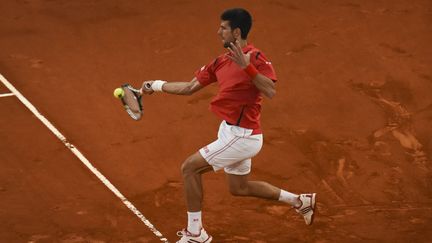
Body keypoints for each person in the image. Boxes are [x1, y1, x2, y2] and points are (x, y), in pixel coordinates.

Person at [141, 8, 316, 243]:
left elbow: (270, 90)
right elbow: (189, 87)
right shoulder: (220, 62)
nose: (218, 32)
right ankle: (300, 201)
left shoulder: (256, 58)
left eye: (223, 28)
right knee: (239, 188)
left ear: (236, 31)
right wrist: (156, 84)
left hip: (243, 137)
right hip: (229, 131)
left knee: (189, 168)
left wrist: (247, 67)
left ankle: (196, 234)